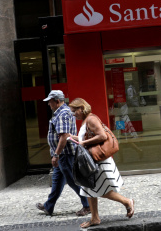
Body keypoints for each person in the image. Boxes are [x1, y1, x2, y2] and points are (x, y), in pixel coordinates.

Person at [68, 98, 135, 229]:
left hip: (100, 161)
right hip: (94, 160)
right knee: (89, 188)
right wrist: (73, 138)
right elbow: (87, 138)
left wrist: (83, 143)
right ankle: (95, 218)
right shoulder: (87, 120)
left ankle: (127, 201)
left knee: (99, 189)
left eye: (74, 111)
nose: (73, 114)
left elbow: (103, 136)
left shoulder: (91, 119)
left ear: (81, 108)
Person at [35, 90, 90, 216]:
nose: (49, 104)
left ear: (57, 101)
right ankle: (49, 206)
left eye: (50, 101)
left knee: (73, 181)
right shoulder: (60, 113)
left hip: (65, 154)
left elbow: (64, 136)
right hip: (63, 154)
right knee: (57, 180)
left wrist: (56, 154)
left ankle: (88, 205)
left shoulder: (63, 114)